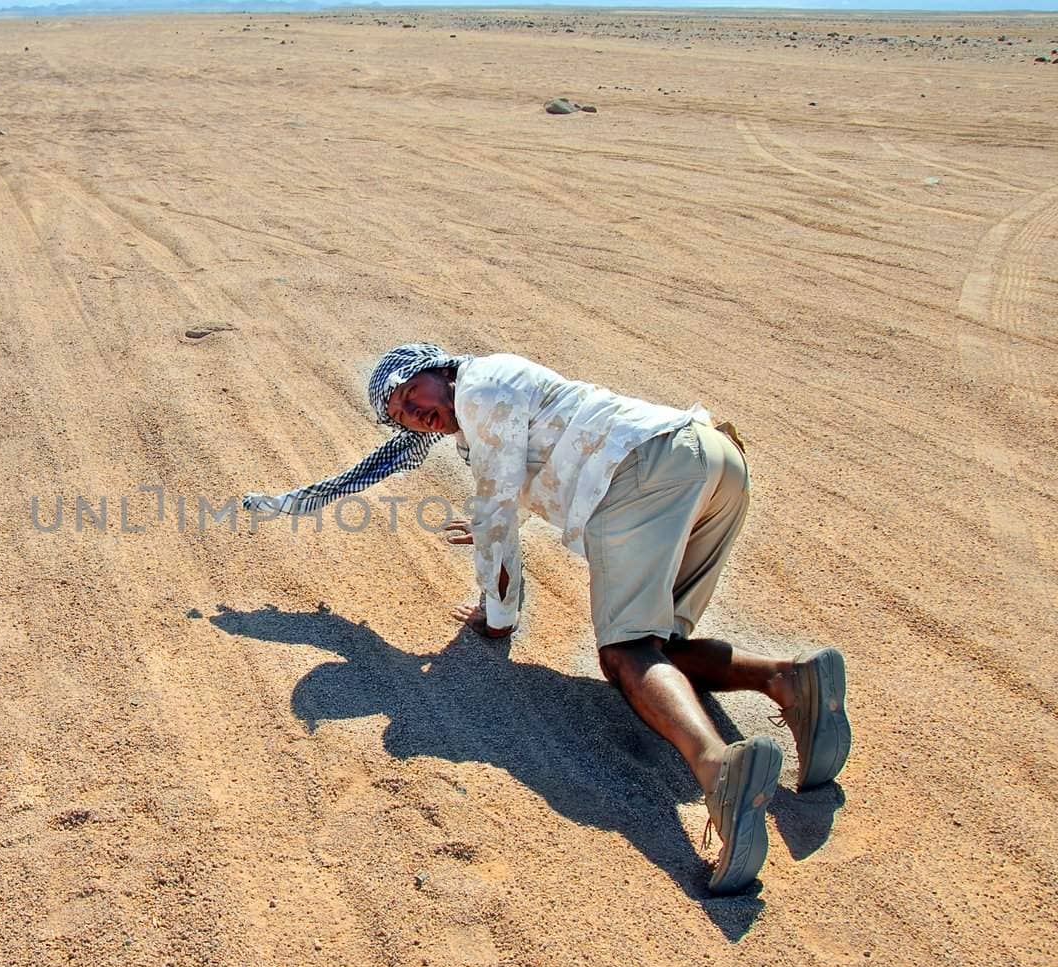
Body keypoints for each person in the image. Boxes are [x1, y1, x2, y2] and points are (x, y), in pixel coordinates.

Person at [242, 343, 851, 894]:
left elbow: (496, 511)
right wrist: (290, 509)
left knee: (627, 654)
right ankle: (789, 679)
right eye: (401, 416)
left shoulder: (479, 391)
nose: (414, 415)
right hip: (710, 458)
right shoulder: (496, 391)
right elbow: (544, 454)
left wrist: (497, 615)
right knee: (659, 645)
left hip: (645, 473)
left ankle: (720, 772)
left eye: (411, 397)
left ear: (436, 369)